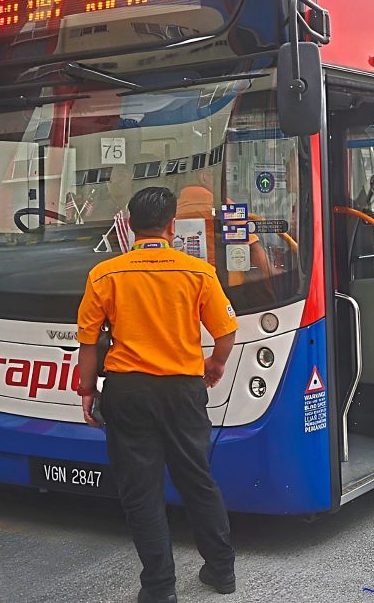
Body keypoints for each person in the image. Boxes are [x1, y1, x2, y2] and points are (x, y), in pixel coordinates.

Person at [76, 186, 238, 603]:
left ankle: (160, 587)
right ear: (171, 226)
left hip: (128, 391)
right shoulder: (197, 272)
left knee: (140, 490)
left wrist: (87, 390)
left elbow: (89, 343)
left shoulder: (105, 275)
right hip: (183, 390)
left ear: (130, 226)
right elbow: (226, 331)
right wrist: (215, 364)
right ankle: (221, 571)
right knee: (197, 480)